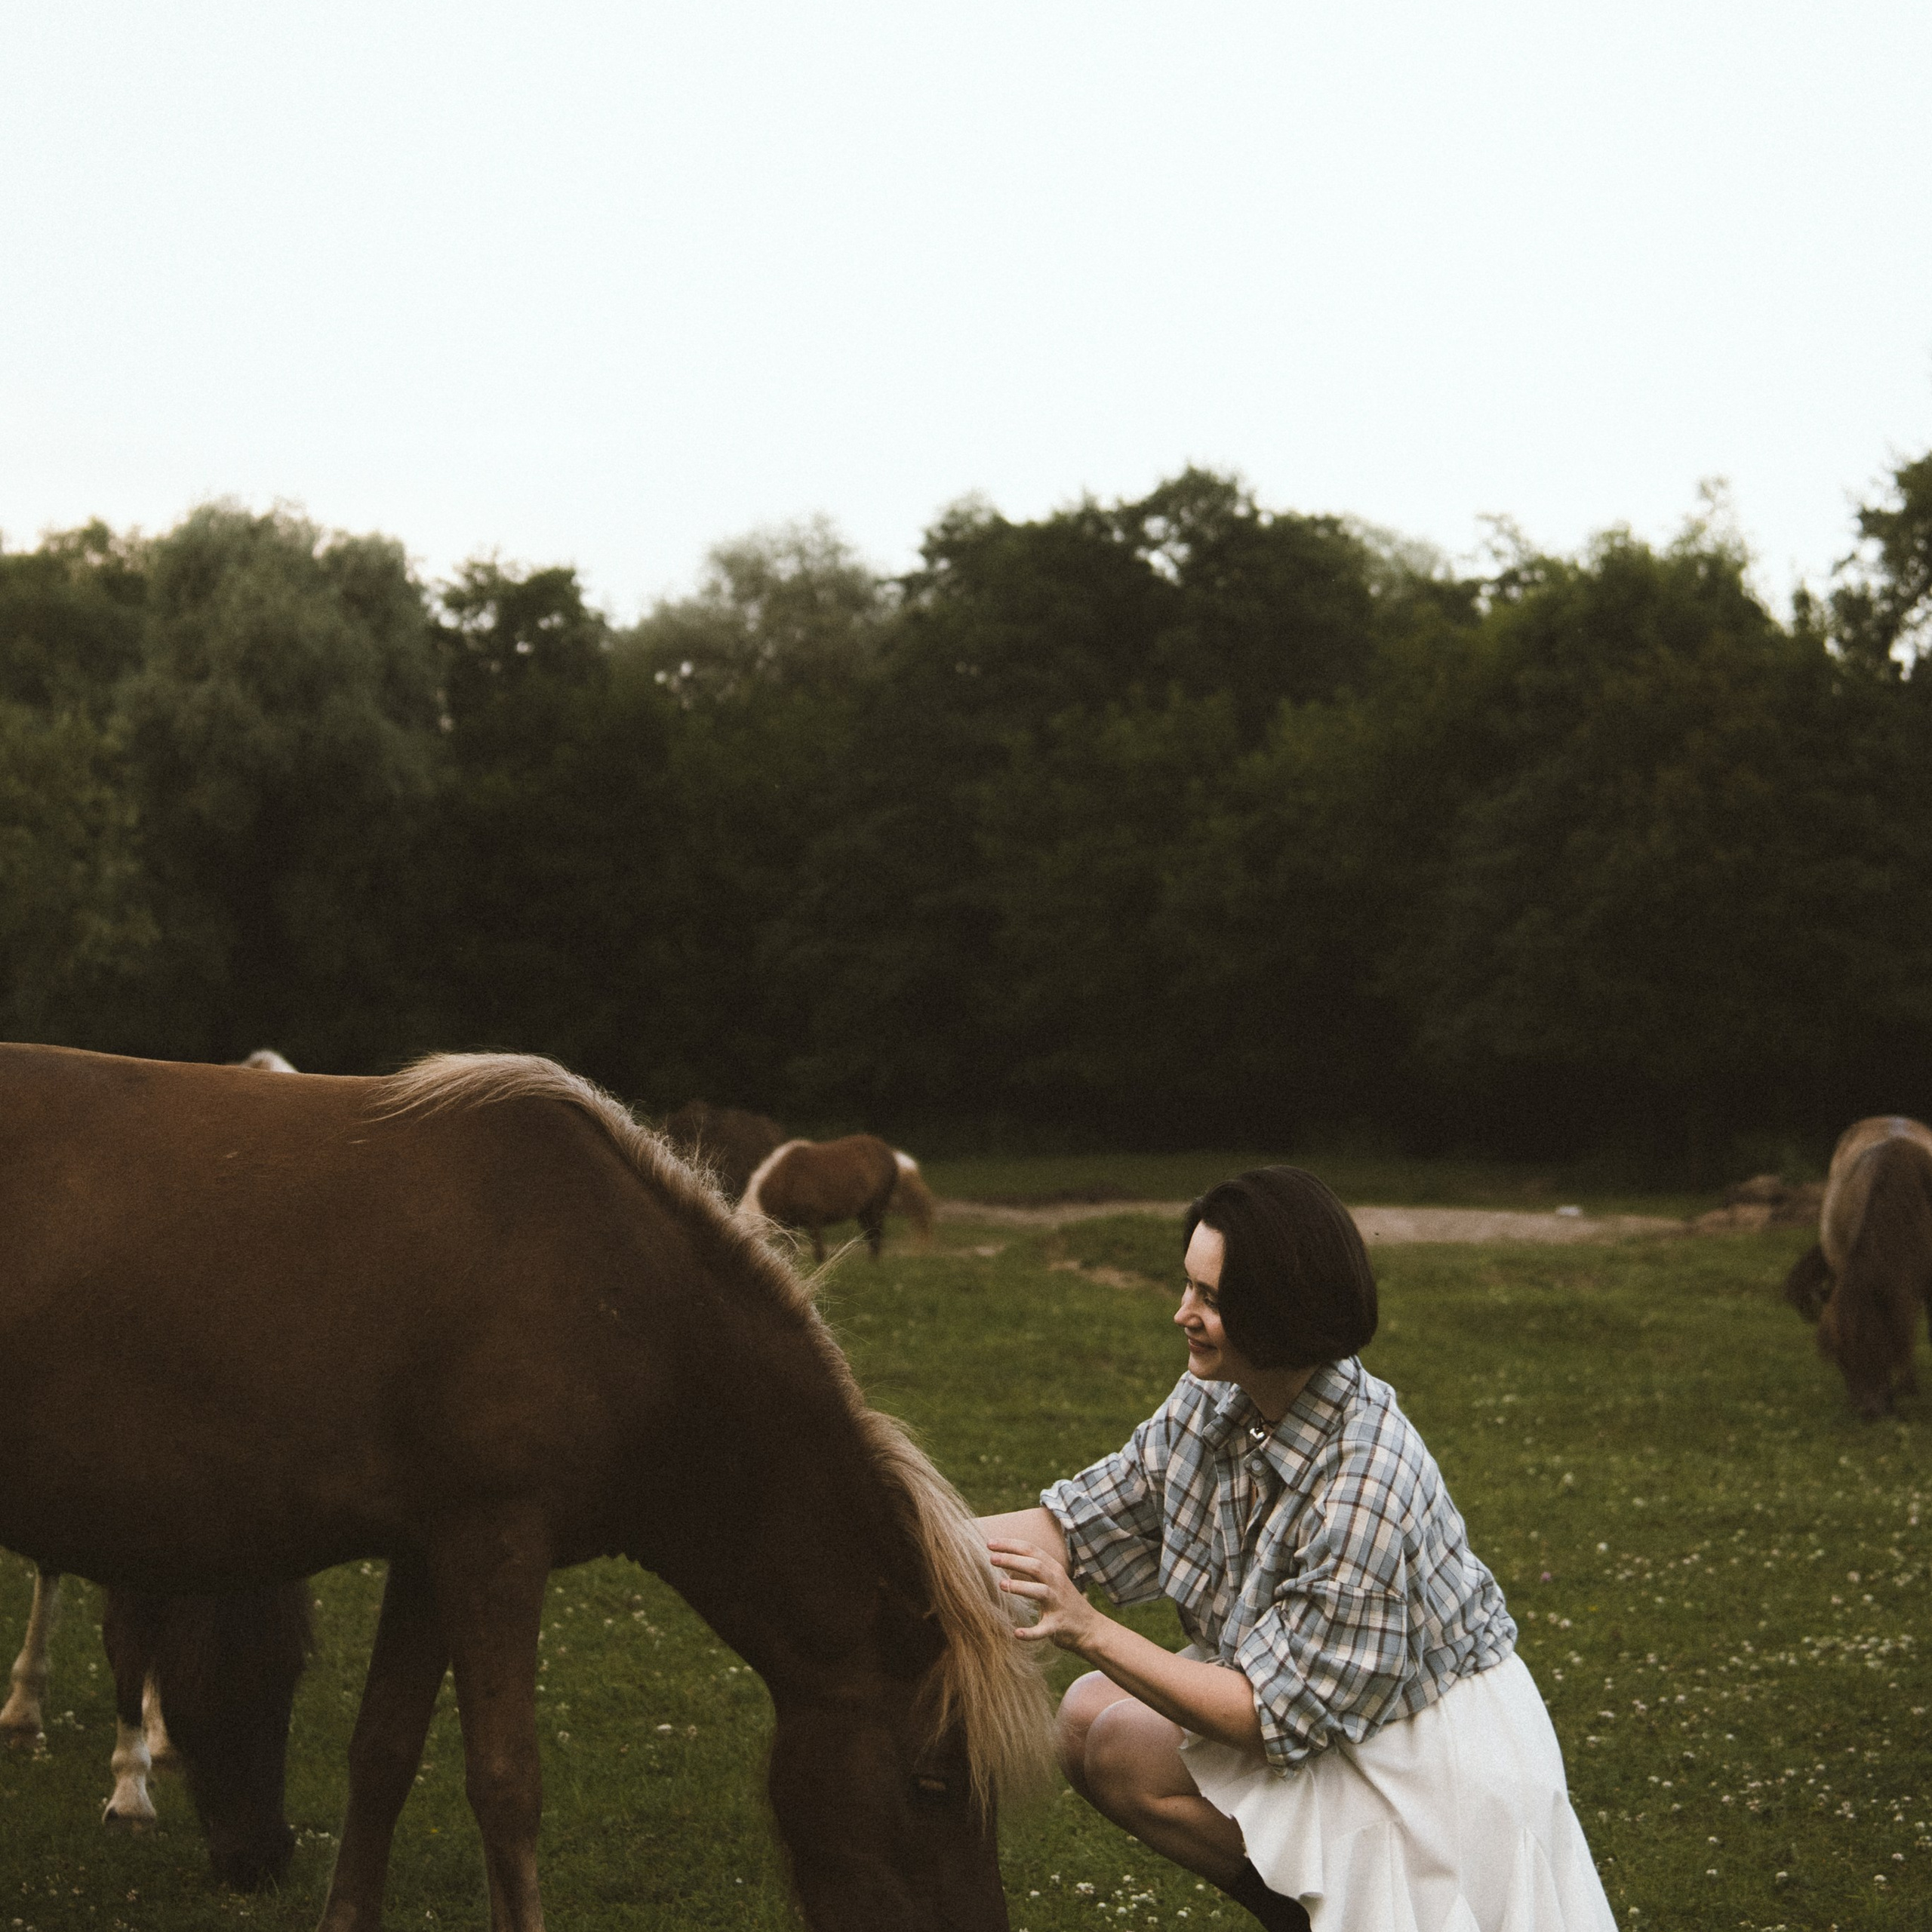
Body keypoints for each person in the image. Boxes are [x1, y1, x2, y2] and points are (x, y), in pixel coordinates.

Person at [981, 1166, 1616, 1932]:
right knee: (1084, 1714)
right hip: (1314, 1695)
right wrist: (898, 1529)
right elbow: (1087, 1519)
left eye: (1210, 1298)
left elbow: (1265, 1711)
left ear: (1276, 1311)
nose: (1182, 1312)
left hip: (1420, 1750)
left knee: (1119, 1742)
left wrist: (1088, 1628)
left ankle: (1339, 1906)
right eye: (1189, 1285)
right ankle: (1307, 1906)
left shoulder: (1367, 1478)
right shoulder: (1218, 1396)